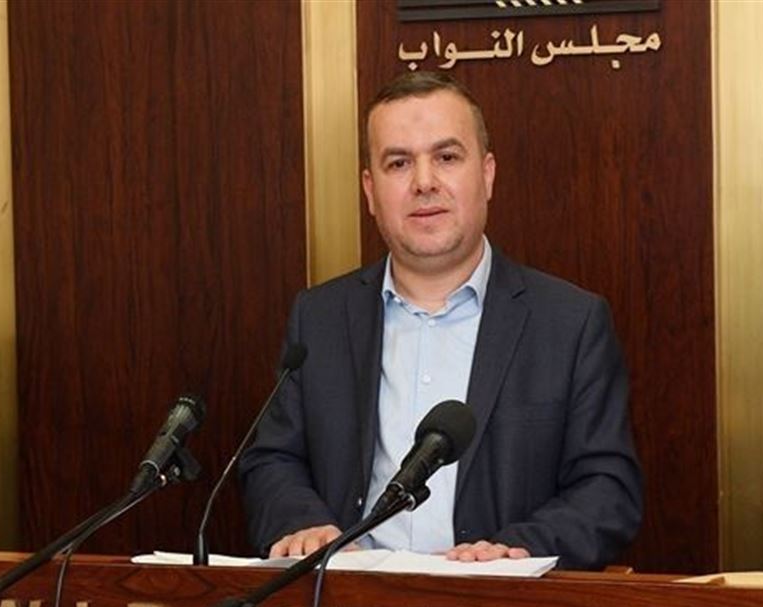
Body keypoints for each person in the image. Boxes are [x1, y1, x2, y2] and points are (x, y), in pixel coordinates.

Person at [239, 71, 642, 569]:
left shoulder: (570, 323)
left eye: (447, 157)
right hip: (349, 593)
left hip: (495, 595)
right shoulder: (319, 319)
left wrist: (517, 548)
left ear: (487, 175)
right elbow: (271, 460)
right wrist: (304, 523)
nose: (424, 182)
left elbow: (607, 488)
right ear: (370, 190)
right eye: (398, 163)